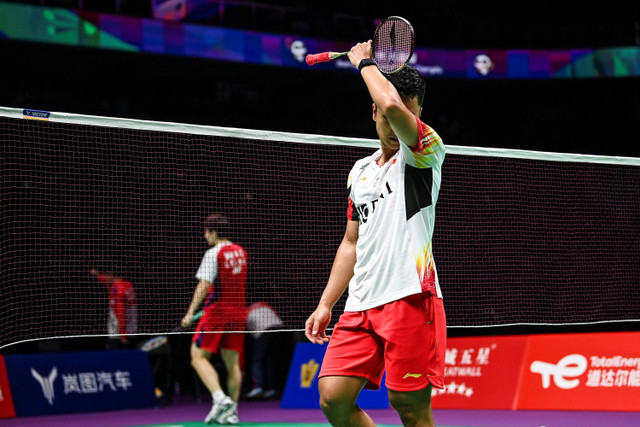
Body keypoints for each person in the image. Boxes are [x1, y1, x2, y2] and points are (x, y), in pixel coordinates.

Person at [304, 41, 447, 427]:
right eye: (383, 113)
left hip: (409, 295)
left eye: (408, 111)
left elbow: (393, 106)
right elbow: (351, 241)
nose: (393, 119)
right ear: (372, 112)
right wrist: (326, 302)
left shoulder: (425, 150)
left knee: (410, 406)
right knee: (333, 397)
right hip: (361, 302)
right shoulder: (360, 171)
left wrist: (364, 62)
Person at [182, 214, 247, 425]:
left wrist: (190, 313)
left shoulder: (213, 253)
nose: (204, 236)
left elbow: (204, 285)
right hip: (238, 313)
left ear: (213, 232)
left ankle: (219, 398)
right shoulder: (240, 251)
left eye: (206, 231)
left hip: (216, 312)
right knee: (233, 363)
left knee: (197, 357)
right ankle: (232, 412)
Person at [89, 268, 138, 350]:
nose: (104, 278)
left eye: (106, 275)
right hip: (131, 331)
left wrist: (122, 335)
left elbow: (120, 313)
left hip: (118, 334)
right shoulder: (127, 284)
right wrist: (97, 275)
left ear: (111, 275)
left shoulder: (118, 291)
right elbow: (106, 281)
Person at [245, 301, 284, 400]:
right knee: (270, 359)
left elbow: (251, 331)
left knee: (257, 360)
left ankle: (259, 387)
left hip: (264, 331)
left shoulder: (246, 311)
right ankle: (271, 389)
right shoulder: (264, 304)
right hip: (279, 328)